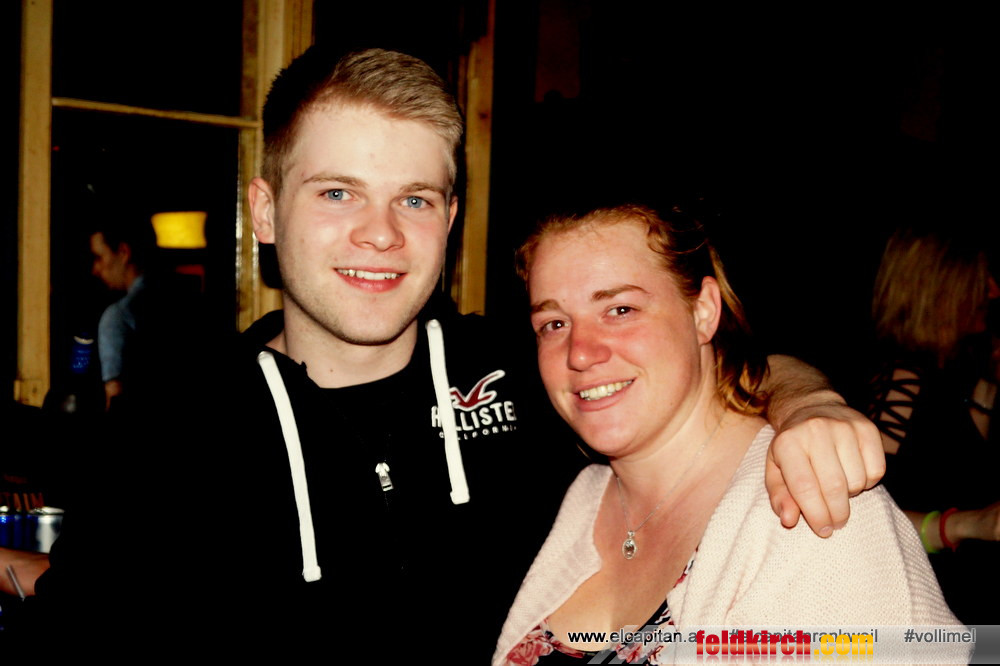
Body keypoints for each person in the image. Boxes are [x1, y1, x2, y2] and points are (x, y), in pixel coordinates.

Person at [25, 47, 880, 655]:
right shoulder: (169, 432)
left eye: (415, 199)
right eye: (337, 192)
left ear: (451, 219)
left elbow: (706, 373)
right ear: (265, 211)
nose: (381, 234)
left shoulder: (537, 367)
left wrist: (810, 407)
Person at [496, 205, 958, 665]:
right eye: (553, 324)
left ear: (703, 311)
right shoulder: (580, 496)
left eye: (620, 309)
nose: (579, 354)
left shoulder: (806, 502)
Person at [868, 227, 1000, 624]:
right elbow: (873, 516)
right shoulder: (901, 385)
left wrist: (988, 388)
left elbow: (967, 472)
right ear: (941, 289)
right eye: (978, 279)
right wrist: (966, 525)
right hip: (923, 612)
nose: (993, 291)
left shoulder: (955, 369)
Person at [88, 214, 156, 410]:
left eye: (99, 257)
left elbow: (116, 400)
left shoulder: (117, 317)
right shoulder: (188, 300)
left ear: (124, 252)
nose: (96, 269)